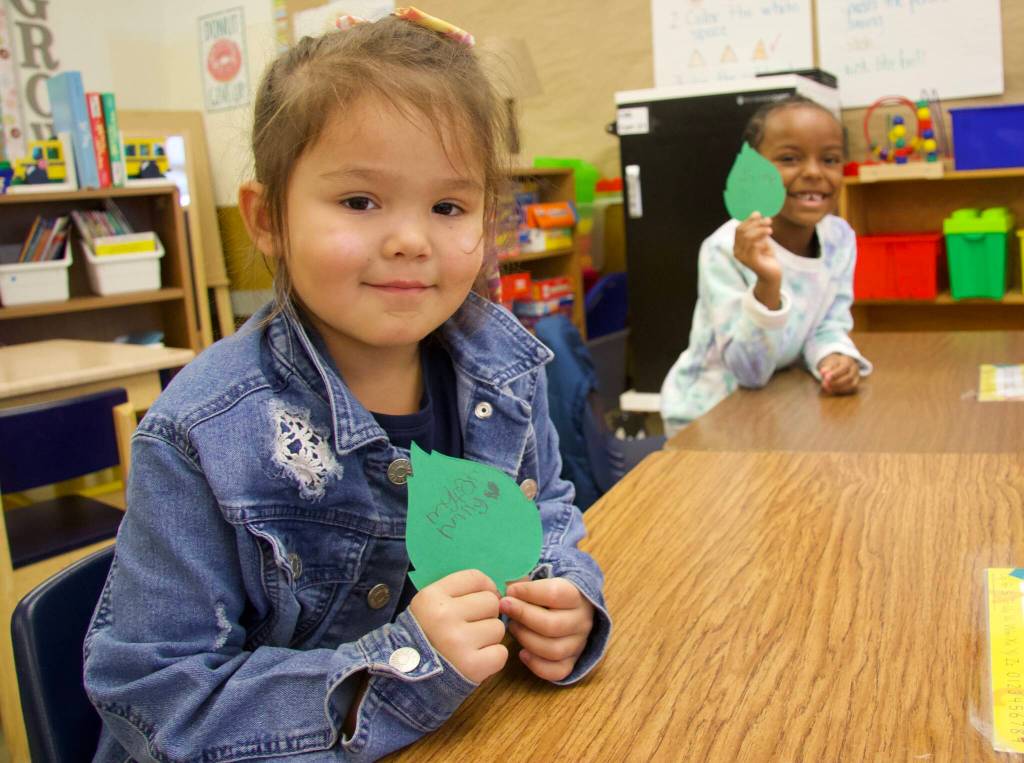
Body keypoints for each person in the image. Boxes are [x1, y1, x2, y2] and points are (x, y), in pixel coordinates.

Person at [84, 10, 610, 761]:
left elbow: (549, 508)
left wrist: (565, 598)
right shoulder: (202, 433)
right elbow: (158, 699)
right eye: (360, 201)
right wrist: (404, 662)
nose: (409, 238)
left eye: (449, 206)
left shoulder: (505, 369)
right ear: (268, 219)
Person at [660, 94, 872, 435]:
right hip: (708, 417)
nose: (815, 173)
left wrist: (833, 357)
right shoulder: (725, 248)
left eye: (830, 159)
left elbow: (829, 323)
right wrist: (767, 284)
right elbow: (750, 371)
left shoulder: (839, 239)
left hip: (780, 403)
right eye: (790, 158)